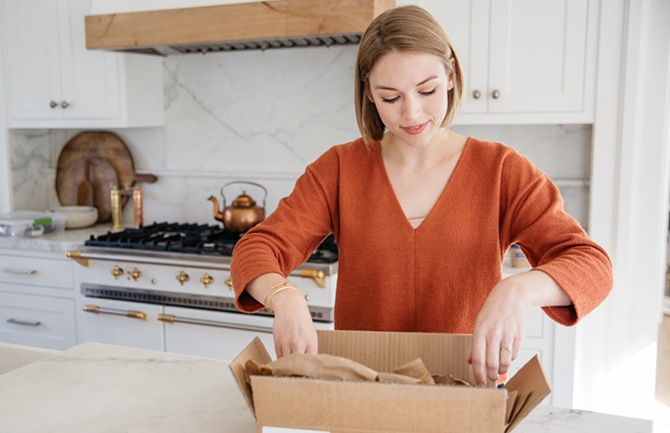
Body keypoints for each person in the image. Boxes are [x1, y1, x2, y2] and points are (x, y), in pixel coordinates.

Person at [229, 5, 612, 387]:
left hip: (466, 396)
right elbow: (257, 248)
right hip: (360, 397)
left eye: (426, 90)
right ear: (368, 94)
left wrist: (517, 290)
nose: (412, 113)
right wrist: (285, 297)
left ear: (449, 73)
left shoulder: (501, 170)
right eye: (390, 97)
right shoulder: (339, 169)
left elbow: (591, 265)